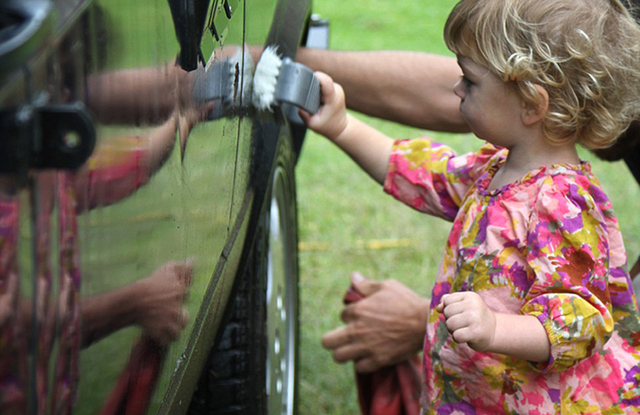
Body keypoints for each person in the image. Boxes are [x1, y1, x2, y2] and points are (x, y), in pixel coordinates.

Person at [300, 0, 640, 412]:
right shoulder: (497, 168)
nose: (458, 89)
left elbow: (578, 321)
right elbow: (426, 174)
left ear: (532, 103)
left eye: (470, 79)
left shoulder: (562, 205)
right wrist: (341, 125)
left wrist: (495, 327)